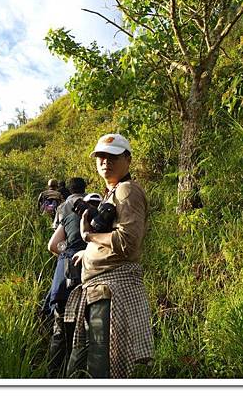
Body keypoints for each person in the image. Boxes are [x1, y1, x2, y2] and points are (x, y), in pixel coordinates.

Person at [65, 133, 154, 379]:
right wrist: (89, 252)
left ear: (128, 159)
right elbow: (115, 237)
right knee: (91, 362)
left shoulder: (126, 190)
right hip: (100, 290)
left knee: (100, 365)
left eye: (113, 156)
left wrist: (89, 237)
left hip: (110, 290)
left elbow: (128, 242)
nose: (105, 161)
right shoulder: (112, 193)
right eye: (101, 157)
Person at [45, 192, 103, 377]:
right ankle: (76, 378)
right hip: (84, 284)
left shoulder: (69, 218)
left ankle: (52, 376)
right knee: (83, 335)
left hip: (62, 284)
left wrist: (68, 249)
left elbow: (53, 246)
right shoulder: (102, 222)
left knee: (59, 331)